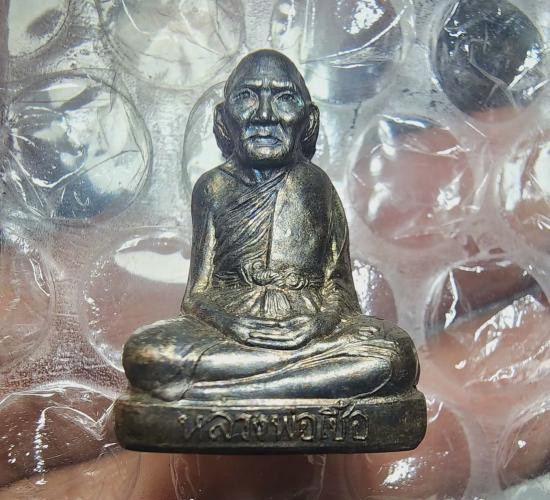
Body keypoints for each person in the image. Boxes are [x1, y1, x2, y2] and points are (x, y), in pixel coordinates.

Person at [121, 50, 420, 403]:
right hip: (231, 326)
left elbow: (339, 286)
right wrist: (232, 325)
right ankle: (298, 388)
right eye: (247, 96)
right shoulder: (212, 188)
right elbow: (196, 295)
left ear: (309, 119)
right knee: (147, 354)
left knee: (396, 355)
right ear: (223, 117)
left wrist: (318, 324)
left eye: (284, 98)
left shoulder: (317, 185)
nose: (264, 115)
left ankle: (229, 394)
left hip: (309, 328)